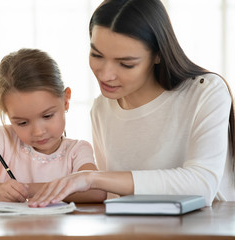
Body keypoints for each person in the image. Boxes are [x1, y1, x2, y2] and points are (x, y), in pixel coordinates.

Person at [29, 0, 235, 207]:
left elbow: (202, 185)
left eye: (126, 64)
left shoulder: (204, 92)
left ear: (158, 55)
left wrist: (92, 178)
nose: (106, 75)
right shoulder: (102, 109)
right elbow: (116, 197)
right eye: (96, 55)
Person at [0, 48, 107, 203]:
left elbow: (97, 191)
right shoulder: (4, 140)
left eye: (47, 116)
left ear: (66, 100)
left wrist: (28, 189)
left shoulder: (77, 151)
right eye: (22, 123)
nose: (38, 131)